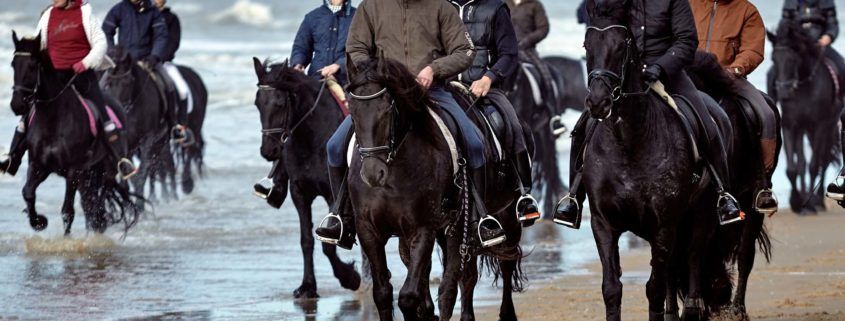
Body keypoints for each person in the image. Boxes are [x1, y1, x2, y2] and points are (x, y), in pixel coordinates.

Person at [315, 0, 509, 249]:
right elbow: (355, 49)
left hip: (433, 92)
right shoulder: (370, 7)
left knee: (473, 142)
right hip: (383, 95)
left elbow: (464, 51)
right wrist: (380, 73)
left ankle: (479, 218)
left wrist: (433, 69)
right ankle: (341, 216)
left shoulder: (440, 7)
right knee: (334, 146)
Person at [554, 0, 742, 228]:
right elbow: (603, 29)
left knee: (707, 122)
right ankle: (574, 198)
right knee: (582, 127)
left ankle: (724, 195)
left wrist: (660, 67)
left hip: (667, 72)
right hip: (624, 76)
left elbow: (686, 41)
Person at [1, 0, 137, 180]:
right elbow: (38, 46)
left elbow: (100, 44)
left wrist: (85, 63)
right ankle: (12, 159)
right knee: (28, 115)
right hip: (54, 78)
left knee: (103, 110)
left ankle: (122, 160)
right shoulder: (48, 15)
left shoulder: (85, 14)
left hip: (82, 75)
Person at [447, 0, 541, 223]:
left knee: (511, 125)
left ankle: (523, 194)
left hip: (483, 88)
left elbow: (509, 54)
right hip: (445, 89)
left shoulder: (496, 8)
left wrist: (489, 78)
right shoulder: (439, 6)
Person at [690, 0, 778, 214]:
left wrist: (735, 69)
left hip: (729, 76)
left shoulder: (747, 10)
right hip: (688, 75)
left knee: (766, 114)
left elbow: (753, 49)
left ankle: (762, 184)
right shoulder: (689, 4)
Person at [102, 0, 188, 142]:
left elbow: (161, 36)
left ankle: (173, 125)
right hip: (123, 61)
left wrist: (154, 56)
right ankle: (103, 125)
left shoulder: (153, 12)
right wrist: (112, 52)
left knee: (168, 84)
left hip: (147, 61)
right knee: (101, 84)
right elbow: (106, 31)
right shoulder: (119, 9)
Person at [506, 0, 564, 133]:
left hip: (527, 50)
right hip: (505, 49)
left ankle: (554, 117)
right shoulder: (503, 3)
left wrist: (527, 41)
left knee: (545, 74)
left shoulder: (534, 5)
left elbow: (543, 28)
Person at [291, 0, 356, 103]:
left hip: (346, 81)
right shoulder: (311, 17)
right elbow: (301, 47)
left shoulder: (358, 18)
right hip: (315, 79)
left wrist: (339, 65)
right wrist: (298, 64)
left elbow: (362, 51)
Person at [153, 0, 192, 143]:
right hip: (141, 61)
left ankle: (179, 126)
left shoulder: (172, 19)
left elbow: (173, 42)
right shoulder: (143, 15)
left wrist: (160, 57)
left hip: (164, 62)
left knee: (182, 90)